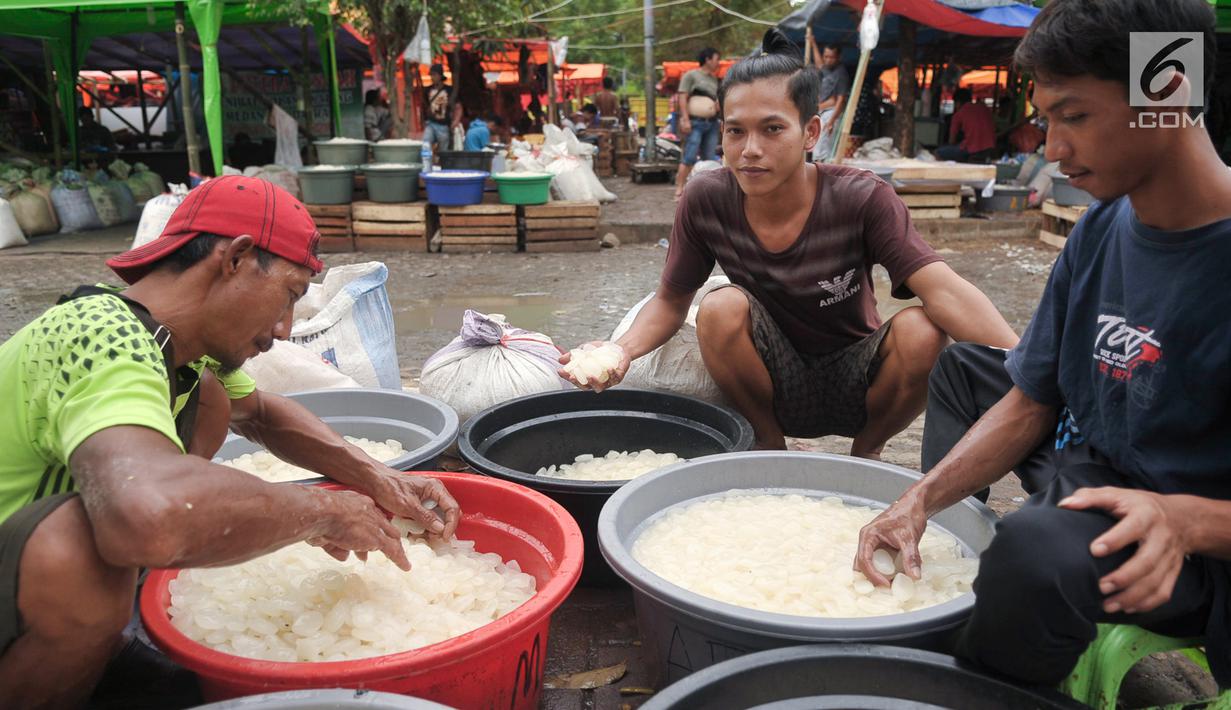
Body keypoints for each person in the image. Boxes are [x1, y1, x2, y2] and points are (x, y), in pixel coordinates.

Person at [853, 0, 1231, 688]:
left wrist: (1186, 520)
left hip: (1193, 546)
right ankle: (966, 555)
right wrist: (919, 503)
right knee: (967, 368)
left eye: (1074, 115)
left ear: (1167, 92)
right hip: (1094, 467)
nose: (1051, 148)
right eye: (1048, 118)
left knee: (1034, 551)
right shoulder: (1101, 229)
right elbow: (1032, 400)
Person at [0, 176, 461, 706]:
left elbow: (263, 415)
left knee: (215, 399)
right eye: (289, 295)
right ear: (236, 259)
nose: (287, 328)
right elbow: (149, 514)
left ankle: (98, 649)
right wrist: (324, 512)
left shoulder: (176, 346)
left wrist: (381, 479)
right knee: (84, 545)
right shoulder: (99, 333)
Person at [561, 30, 1018, 457]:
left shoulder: (861, 197)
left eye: (772, 129)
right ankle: (769, 448)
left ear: (811, 134)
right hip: (770, 383)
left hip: (858, 377)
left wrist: (1030, 372)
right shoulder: (707, 198)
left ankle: (867, 451)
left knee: (924, 329)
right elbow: (670, 301)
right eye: (735, 130)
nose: (750, 148)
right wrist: (620, 350)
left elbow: (944, 290)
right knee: (718, 306)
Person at [674, 47, 723, 200]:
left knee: (709, 158)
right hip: (695, 122)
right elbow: (682, 97)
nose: (718, 62)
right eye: (716, 59)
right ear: (708, 59)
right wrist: (685, 119)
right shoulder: (691, 75)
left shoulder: (715, 80)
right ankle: (680, 188)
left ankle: (705, 192)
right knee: (689, 156)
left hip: (712, 122)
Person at [808, 39, 850, 162]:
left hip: (832, 113)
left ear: (838, 57)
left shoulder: (841, 74)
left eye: (831, 57)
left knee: (825, 146)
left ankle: (822, 167)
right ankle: (817, 164)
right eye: (825, 56)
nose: (827, 60)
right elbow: (819, 64)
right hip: (822, 111)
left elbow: (840, 100)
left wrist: (831, 121)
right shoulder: (826, 68)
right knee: (817, 141)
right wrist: (813, 43)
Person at [936, 88, 996, 162]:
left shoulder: (958, 114)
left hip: (972, 149)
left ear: (957, 102)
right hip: (990, 147)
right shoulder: (984, 108)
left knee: (939, 152)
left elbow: (951, 140)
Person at [423, 64, 463, 152]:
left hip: (444, 125)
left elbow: (458, 106)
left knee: (443, 151)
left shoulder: (450, 90)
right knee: (425, 144)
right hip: (431, 123)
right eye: (431, 75)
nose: (432, 77)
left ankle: (442, 164)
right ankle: (427, 163)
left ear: (440, 76)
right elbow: (426, 106)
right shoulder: (427, 90)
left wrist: (456, 121)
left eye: (434, 75)